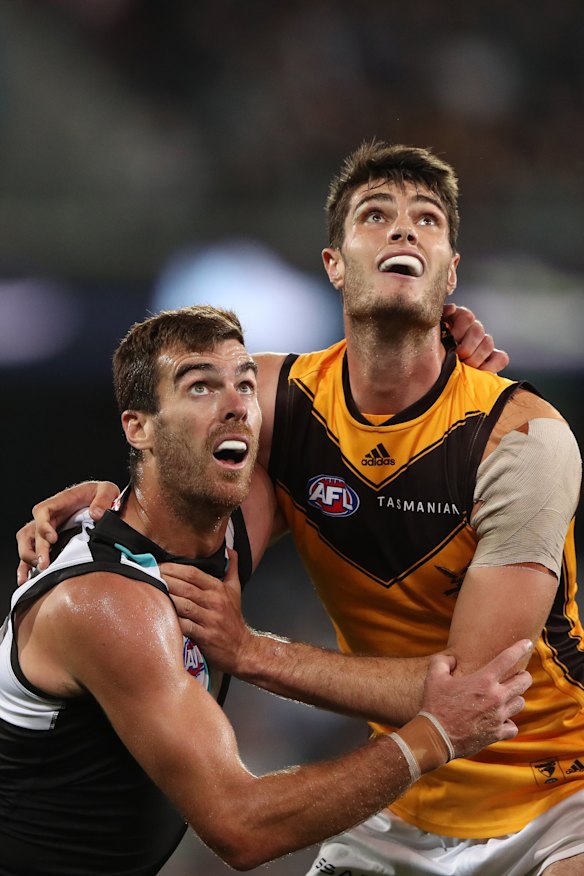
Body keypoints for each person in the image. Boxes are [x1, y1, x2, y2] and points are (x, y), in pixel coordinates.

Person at [16, 141, 583, 875]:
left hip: (556, 792)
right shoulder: (277, 400)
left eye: (427, 219)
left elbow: (475, 693)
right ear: (334, 265)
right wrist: (109, 504)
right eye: (374, 214)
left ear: (450, 274)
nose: (402, 228)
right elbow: (182, 517)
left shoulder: (523, 438)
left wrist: (255, 653)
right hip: (401, 795)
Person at [1, 304, 533, 876]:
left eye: (246, 384)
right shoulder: (107, 602)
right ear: (139, 428)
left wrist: (437, 374)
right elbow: (241, 828)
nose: (234, 404)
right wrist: (432, 738)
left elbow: (355, 435)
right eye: (200, 386)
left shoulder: (221, 534)